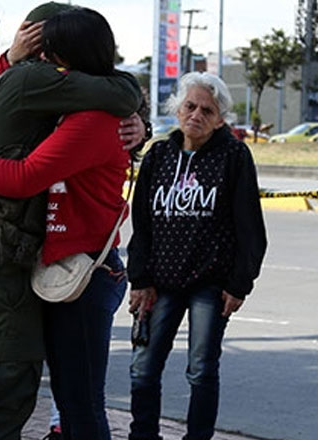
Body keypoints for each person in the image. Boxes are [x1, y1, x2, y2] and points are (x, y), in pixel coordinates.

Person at [0, 2, 146, 438]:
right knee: (9, 388)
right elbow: (118, 95)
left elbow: (29, 174)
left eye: (49, 48)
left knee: (64, 400)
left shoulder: (82, 113)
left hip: (74, 267)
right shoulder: (41, 86)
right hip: (14, 259)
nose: (45, 57)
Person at [126, 72, 268, 440]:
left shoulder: (234, 156)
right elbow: (141, 223)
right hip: (159, 282)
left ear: (220, 118)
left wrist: (240, 284)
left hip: (211, 283)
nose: (197, 115)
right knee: (143, 367)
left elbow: (251, 228)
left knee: (201, 369)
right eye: (190, 106)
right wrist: (139, 279)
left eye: (208, 110)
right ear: (177, 109)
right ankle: (143, 435)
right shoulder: (159, 154)